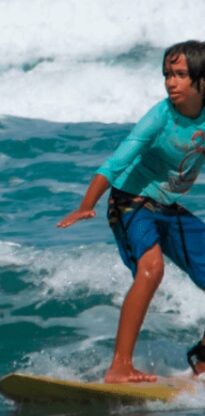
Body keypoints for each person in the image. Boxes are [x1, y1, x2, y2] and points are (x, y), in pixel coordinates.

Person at [58, 40, 205, 383]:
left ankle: (201, 356)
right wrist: (86, 205)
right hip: (130, 202)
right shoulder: (159, 118)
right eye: (168, 74)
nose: (171, 82)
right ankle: (119, 366)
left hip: (167, 208)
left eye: (181, 75)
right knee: (151, 268)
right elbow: (116, 161)